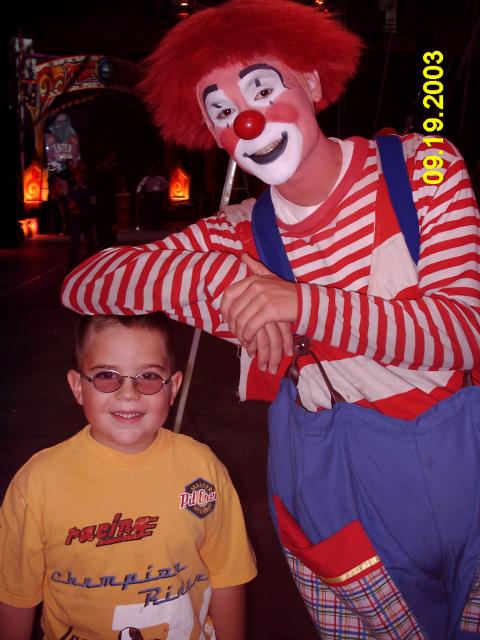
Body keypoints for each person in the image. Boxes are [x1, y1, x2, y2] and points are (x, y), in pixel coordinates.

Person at [60, 0, 480, 636]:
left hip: (465, 462)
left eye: (260, 87)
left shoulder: (425, 169)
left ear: (311, 83)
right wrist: (225, 277)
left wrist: (297, 302)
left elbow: (457, 331)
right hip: (340, 495)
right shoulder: (234, 234)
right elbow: (86, 285)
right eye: (221, 110)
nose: (246, 118)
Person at [0, 312, 257, 640]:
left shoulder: (203, 470)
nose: (128, 393)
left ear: (173, 387)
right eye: (107, 375)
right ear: (78, 387)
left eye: (148, 376)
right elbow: (15, 596)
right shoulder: (37, 484)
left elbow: (228, 575)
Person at [66, 161, 97, 268]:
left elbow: (92, 204)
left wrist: (79, 205)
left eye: (82, 174)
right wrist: (74, 206)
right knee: (74, 239)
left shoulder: (90, 189)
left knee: (90, 240)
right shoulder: (73, 189)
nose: (79, 177)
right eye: (78, 175)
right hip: (76, 217)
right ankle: (72, 262)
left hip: (87, 217)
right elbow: (70, 204)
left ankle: (91, 261)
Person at [136, 163, 168, 228]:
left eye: (153, 169)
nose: (152, 171)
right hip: (150, 195)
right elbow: (141, 185)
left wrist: (161, 189)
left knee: (158, 210)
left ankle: (158, 224)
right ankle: (151, 224)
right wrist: (138, 192)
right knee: (151, 210)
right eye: (151, 169)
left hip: (157, 195)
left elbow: (166, 184)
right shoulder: (146, 178)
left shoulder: (159, 178)